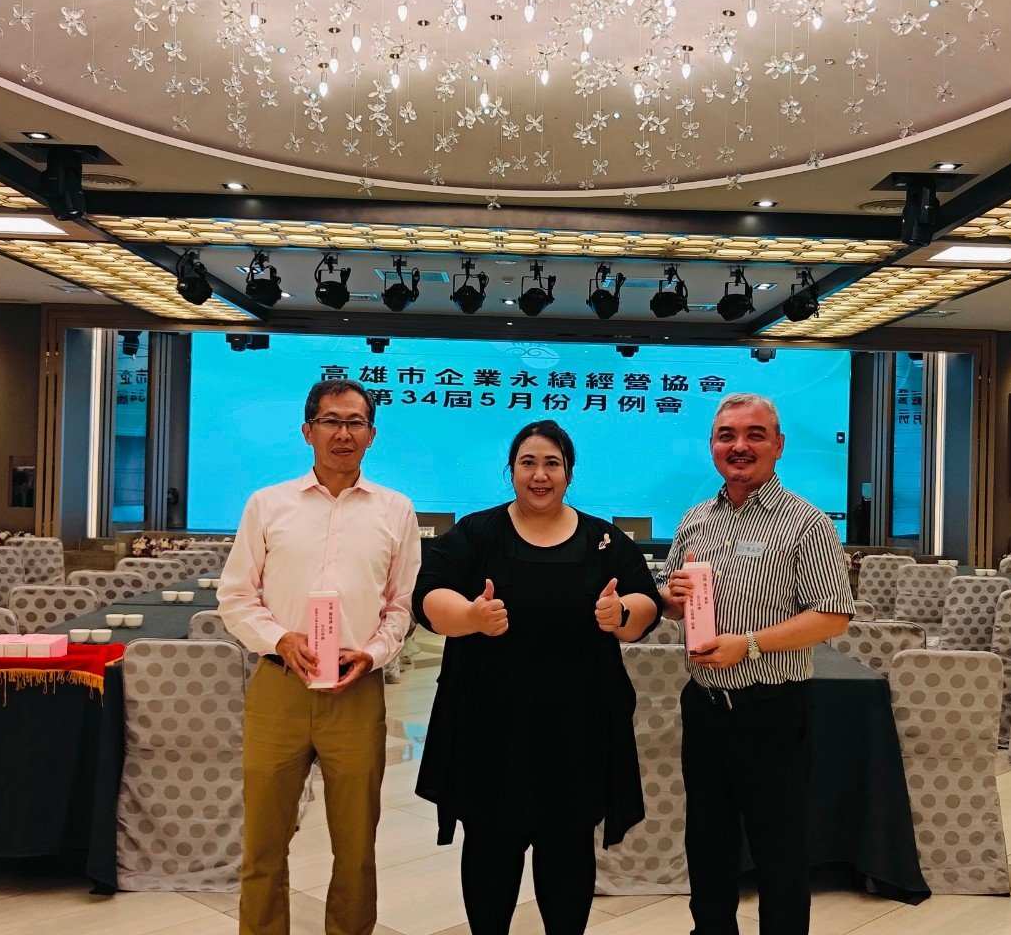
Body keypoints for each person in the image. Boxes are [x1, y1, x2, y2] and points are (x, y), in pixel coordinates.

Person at [412, 419, 662, 935]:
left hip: (578, 731)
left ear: (569, 473)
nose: (540, 475)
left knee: (568, 850)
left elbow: (646, 603)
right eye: (528, 463)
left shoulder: (601, 540)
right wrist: (470, 617)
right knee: (490, 848)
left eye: (552, 463)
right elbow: (429, 594)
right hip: (490, 729)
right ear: (511, 470)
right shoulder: (477, 534)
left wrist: (620, 613)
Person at [219, 378, 420, 935]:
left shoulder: (396, 510)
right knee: (263, 845)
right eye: (331, 421)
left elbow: (401, 606)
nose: (343, 433)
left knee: (355, 848)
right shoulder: (268, 504)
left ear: (372, 435)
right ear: (307, 431)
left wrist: (373, 654)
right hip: (279, 687)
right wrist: (280, 639)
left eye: (355, 423)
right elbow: (236, 596)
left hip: (355, 693)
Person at [659, 393, 855, 935]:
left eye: (754, 435)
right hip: (704, 705)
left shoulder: (806, 522)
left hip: (772, 709)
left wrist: (749, 645)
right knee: (707, 841)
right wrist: (672, 597)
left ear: (778, 445)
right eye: (727, 435)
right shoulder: (696, 519)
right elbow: (671, 598)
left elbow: (833, 615)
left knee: (780, 848)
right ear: (712, 446)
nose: (739, 446)